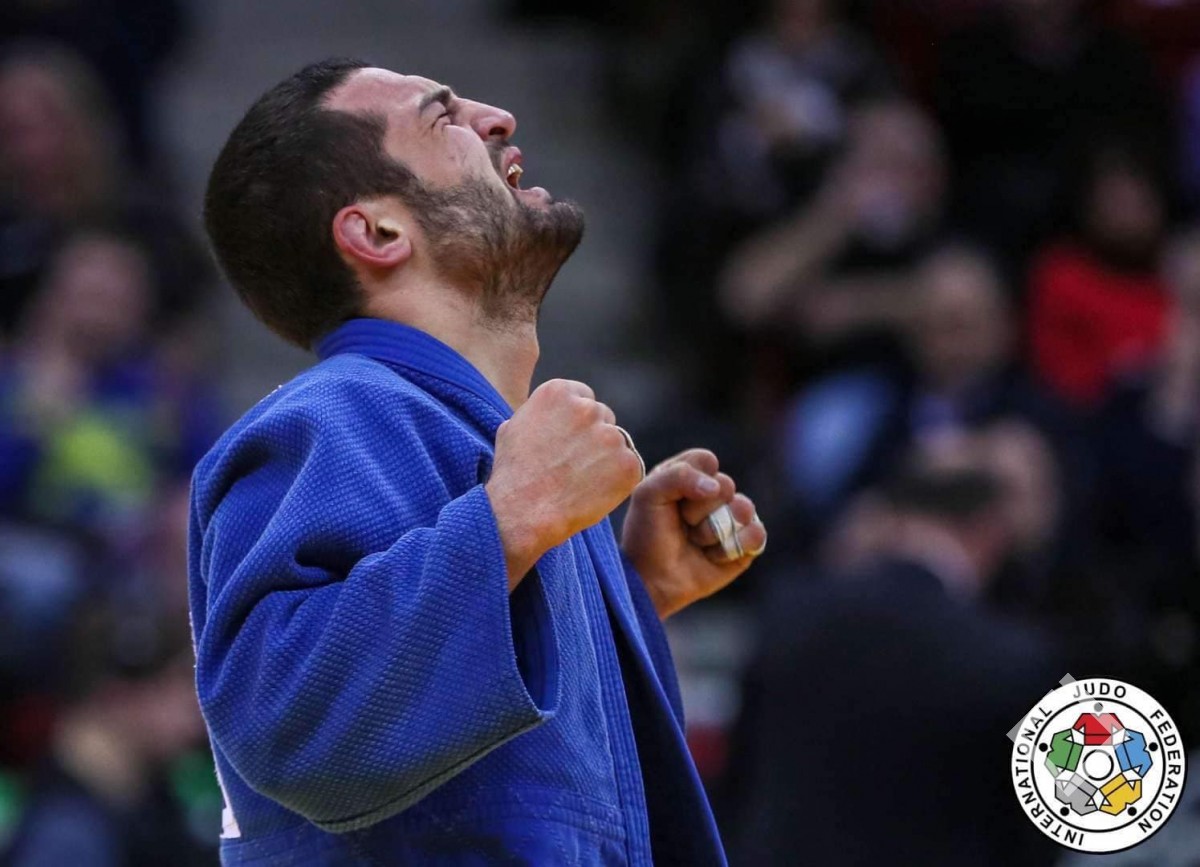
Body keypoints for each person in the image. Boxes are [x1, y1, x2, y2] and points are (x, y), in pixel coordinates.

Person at [190, 58, 767, 865]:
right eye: (443, 117)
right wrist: (516, 518)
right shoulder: (332, 417)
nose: (498, 117)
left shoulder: (493, 469)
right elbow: (285, 724)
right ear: (377, 232)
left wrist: (629, 594)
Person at [730, 452, 1063, 866]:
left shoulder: (790, 612)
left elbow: (739, 777)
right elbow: (1049, 821)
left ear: (889, 518)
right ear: (990, 531)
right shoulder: (1011, 658)